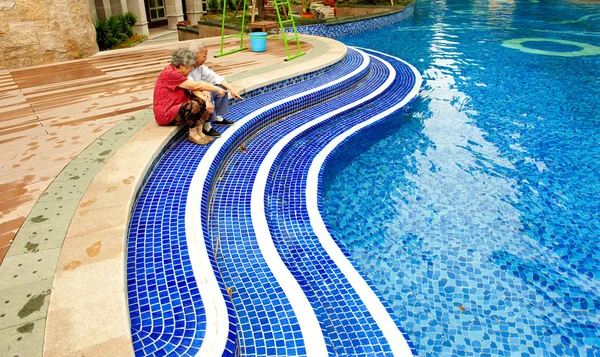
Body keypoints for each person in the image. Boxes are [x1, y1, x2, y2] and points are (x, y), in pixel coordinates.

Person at [153, 48, 227, 145]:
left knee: (200, 100)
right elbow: (195, 85)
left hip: (178, 107)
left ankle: (199, 131)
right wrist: (216, 89)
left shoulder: (177, 71)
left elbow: (195, 87)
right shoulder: (170, 74)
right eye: (190, 66)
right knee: (192, 105)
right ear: (181, 66)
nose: (192, 69)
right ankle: (193, 134)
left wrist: (206, 98)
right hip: (166, 113)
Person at [188, 41, 242, 138]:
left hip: (198, 89)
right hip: (191, 96)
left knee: (222, 87)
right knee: (208, 94)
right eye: (204, 56)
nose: (206, 58)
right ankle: (206, 126)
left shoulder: (200, 67)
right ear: (195, 55)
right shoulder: (186, 67)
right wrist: (204, 90)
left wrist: (231, 88)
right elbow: (192, 87)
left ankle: (217, 117)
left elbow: (214, 77)